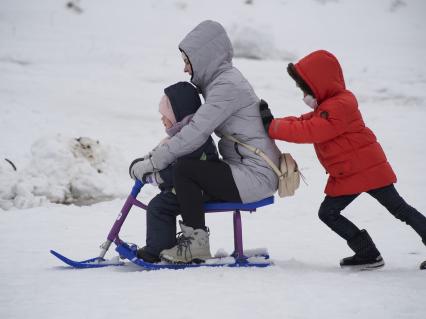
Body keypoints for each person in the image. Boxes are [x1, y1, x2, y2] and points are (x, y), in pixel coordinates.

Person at [129, 20, 281, 264]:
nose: (185, 69)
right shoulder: (221, 82)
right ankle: (164, 244)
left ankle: (196, 244)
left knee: (186, 170)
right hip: (245, 169)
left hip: (255, 175)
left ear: (204, 57)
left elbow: (196, 132)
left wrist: (155, 163)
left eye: (187, 62)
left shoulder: (226, 86)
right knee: (187, 174)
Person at [261, 49, 426, 270]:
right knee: (399, 209)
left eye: (306, 89)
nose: (304, 96)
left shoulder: (338, 107)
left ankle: (368, 254)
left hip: (361, 170)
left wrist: (272, 127)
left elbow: (311, 130)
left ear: (320, 85)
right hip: (355, 171)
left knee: (334, 212)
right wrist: (273, 122)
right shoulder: (332, 104)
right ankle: (368, 254)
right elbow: (303, 121)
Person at [129, 81, 219, 263]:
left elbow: (179, 171)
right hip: (187, 189)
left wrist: (156, 177)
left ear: (177, 114)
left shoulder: (194, 141)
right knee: (162, 204)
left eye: (165, 115)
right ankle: (165, 245)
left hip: (198, 191)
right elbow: (159, 156)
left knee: (159, 207)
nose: (162, 119)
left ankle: (157, 250)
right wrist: (142, 164)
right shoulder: (178, 138)